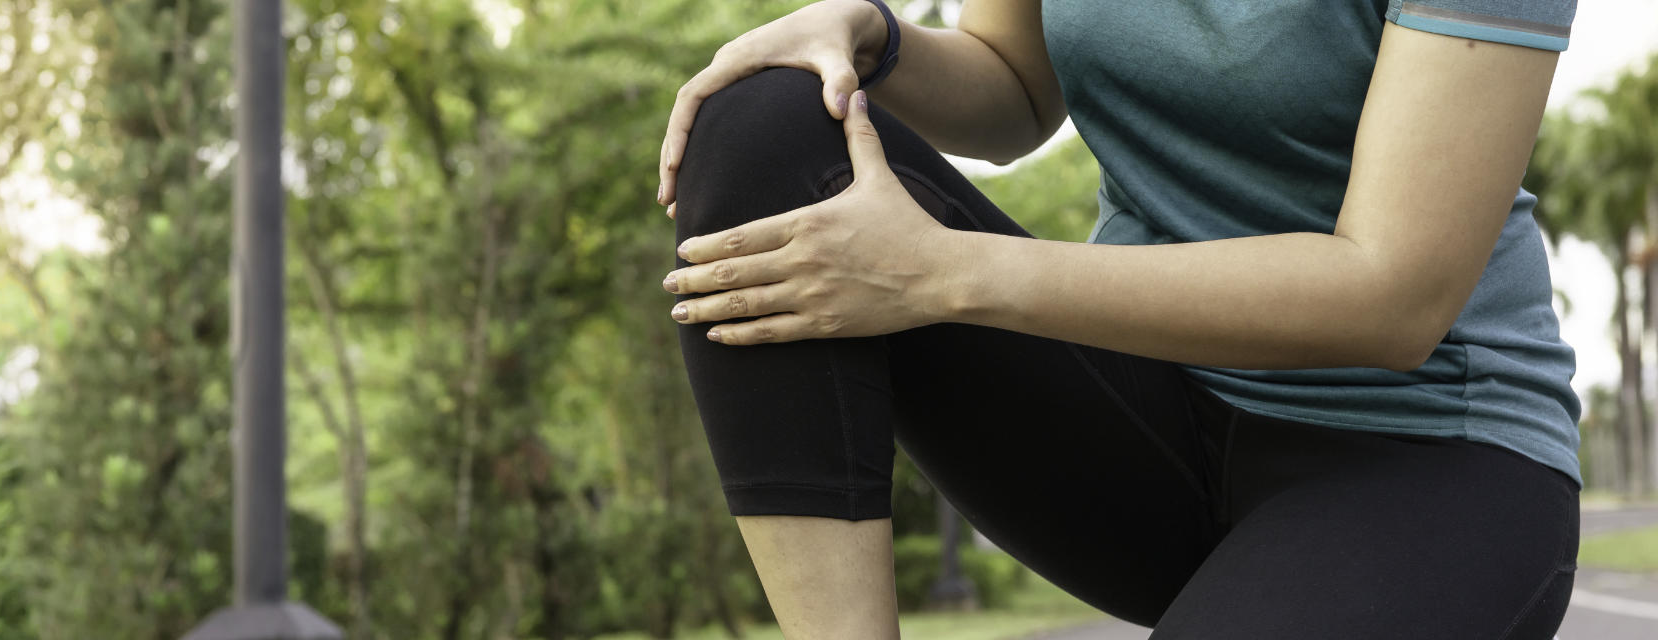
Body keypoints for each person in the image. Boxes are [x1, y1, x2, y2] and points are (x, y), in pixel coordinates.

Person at [653, 1, 1584, 638]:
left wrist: (943, 271)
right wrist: (875, 35)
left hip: (1425, 454)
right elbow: (1017, 90)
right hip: (1153, 420)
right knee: (766, 118)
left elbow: (1395, 297)